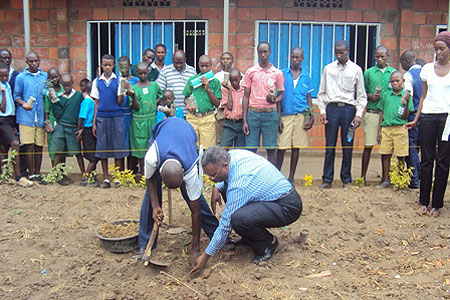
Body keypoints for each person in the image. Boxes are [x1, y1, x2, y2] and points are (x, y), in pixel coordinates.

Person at [190, 146, 302, 273]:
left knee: (238, 219)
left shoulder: (240, 184)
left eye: (213, 175)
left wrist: (205, 256)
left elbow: (225, 225)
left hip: (287, 206)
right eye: (208, 176)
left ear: (225, 165)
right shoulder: (232, 156)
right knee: (236, 210)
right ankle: (251, 237)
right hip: (272, 198)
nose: (211, 179)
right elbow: (224, 180)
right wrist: (217, 187)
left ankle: (268, 244)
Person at [137, 118, 219, 264]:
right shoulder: (152, 157)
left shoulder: (191, 167)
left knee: (195, 199)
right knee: (150, 196)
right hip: (162, 132)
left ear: (183, 174)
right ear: (159, 172)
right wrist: (156, 206)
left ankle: (216, 234)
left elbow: (196, 210)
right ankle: (146, 245)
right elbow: (149, 179)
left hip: (187, 134)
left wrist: (195, 249)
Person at [406, 31, 450, 218]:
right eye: (436, 48)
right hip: (428, 117)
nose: (438, 52)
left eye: (442, 48)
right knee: (426, 159)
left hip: (447, 118)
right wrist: (416, 119)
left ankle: (436, 204)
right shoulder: (426, 70)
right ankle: (423, 200)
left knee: (443, 161)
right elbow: (422, 96)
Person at [317, 40, 367, 189]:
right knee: (330, 145)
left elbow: (361, 95)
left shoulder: (356, 70)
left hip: (349, 111)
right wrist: (323, 111)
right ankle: (327, 179)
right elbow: (321, 93)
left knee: (348, 145)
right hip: (332, 109)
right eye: (336, 52)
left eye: (342, 52)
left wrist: (358, 114)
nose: (339, 55)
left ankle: (346, 179)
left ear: (348, 51)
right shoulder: (328, 69)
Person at [242, 42, 284, 165]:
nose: (263, 55)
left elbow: (281, 95)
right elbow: (245, 97)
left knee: (271, 149)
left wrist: (274, 100)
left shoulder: (277, 73)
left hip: (270, 115)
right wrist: (245, 120)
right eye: (260, 52)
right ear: (257, 53)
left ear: (270, 52)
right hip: (253, 114)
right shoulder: (251, 72)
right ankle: (251, 176)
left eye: (265, 52)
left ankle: (271, 178)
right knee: (250, 149)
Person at [276, 47, 314, 184]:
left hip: (300, 115)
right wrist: (279, 117)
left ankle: (291, 177)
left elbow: (308, 97)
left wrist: (311, 115)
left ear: (302, 59)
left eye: (298, 57)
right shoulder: (282, 74)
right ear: (290, 58)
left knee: (296, 147)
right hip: (286, 115)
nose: (295, 60)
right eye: (293, 57)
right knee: (281, 147)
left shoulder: (306, 76)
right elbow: (278, 97)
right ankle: (277, 176)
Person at [91, 54, 129, 188]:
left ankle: (118, 177)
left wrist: (123, 90)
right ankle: (106, 177)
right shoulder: (97, 81)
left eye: (110, 65)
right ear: (101, 65)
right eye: (105, 65)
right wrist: (94, 122)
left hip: (116, 116)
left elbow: (119, 102)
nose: (107, 68)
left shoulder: (118, 80)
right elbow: (96, 102)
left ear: (114, 66)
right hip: (102, 117)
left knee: (118, 147)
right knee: (103, 147)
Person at [361, 46, 396, 185]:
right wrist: (371, 96)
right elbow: (361, 92)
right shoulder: (369, 73)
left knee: (386, 149)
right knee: (368, 146)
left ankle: (386, 178)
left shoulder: (393, 73)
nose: (380, 59)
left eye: (382, 56)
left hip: (388, 116)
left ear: (388, 56)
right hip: (372, 113)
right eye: (377, 57)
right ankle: (362, 177)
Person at [13, 51, 47, 183]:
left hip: (40, 115)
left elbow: (47, 94)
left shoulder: (44, 76)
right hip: (26, 116)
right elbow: (17, 96)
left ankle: (38, 173)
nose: (34, 64)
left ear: (39, 61)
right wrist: (24, 104)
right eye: (31, 61)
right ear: (26, 62)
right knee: (28, 146)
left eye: (36, 61)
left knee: (39, 146)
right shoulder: (21, 77)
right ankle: (31, 173)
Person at [377, 71, 414, 188]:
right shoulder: (386, 95)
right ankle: (385, 179)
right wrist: (379, 129)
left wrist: (406, 103)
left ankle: (400, 179)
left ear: (402, 81)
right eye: (392, 81)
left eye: (397, 81)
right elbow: (381, 112)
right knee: (385, 154)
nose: (394, 83)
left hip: (400, 128)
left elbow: (405, 116)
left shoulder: (406, 96)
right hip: (386, 128)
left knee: (401, 155)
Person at [0, 62, 33, 187]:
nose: (4, 78)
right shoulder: (2, 88)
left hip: (9, 119)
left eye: (5, 75)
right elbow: (2, 109)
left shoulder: (7, 85)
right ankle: (18, 176)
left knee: (3, 147)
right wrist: (2, 93)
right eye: (1, 76)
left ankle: (4, 175)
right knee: (14, 144)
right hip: (2, 119)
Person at [48, 73, 85, 184]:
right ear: (61, 84)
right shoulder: (59, 98)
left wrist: (81, 128)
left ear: (72, 83)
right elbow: (58, 115)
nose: (67, 87)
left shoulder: (78, 96)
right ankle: (55, 174)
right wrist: (54, 102)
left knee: (77, 152)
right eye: (64, 85)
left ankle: (84, 173)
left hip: (73, 127)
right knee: (58, 151)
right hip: (61, 126)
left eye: (69, 85)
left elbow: (81, 113)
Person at [128, 62, 163, 173]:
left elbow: (161, 95)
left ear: (148, 72)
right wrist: (133, 96)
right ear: (137, 73)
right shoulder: (134, 88)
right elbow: (136, 107)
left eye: (145, 73)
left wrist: (153, 103)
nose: (143, 75)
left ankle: (153, 171)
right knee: (140, 147)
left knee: (152, 145)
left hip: (151, 119)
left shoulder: (154, 85)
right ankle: (144, 172)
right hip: (139, 121)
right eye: (140, 73)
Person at [183, 55, 221, 148]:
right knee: (191, 146)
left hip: (208, 118)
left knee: (207, 148)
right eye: (202, 66)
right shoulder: (193, 80)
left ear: (211, 66)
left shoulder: (215, 82)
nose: (204, 69)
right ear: (198, 65)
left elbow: (217, 103)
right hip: (193, 117)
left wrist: (208, 88)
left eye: (207, 66)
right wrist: (188, 104)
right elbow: (186, 97)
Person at [400, 50, 423, 189]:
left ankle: (414, 181)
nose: (402, 65)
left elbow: (408, 95)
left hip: (413, 114)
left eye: (402, 62)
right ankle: (423, 178)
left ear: (408, 61)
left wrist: (402, 113)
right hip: (427, 116)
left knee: (412, 147)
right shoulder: (426, 71)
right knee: (425, 148)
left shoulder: (408, 75)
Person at [117, 56, 140, 173]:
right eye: (121, 67)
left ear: (130, 66)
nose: (123, 70)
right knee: (120, 143)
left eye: (125, 67)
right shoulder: (115, 80)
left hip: (132, 115)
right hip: (119, 116)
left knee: (132, 143)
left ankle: (132, 171)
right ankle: (120, 173)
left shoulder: (135, 81)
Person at [156, 50, 196, 115]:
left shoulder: (192, 72)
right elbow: (160, 92)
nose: (178, 65)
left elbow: (195, 93)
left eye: (181, 63)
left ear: (185, 60)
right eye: (176, 63)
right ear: (172, 60)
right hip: (171, 114)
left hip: (188, 114)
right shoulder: (166, 71)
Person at [77, 80, 99, 186]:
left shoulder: (93, 101)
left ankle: (92, 177)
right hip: (88, 130)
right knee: (93, 157)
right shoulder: (87, 102)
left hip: (92, 130)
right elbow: (81, 117)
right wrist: (80, 129)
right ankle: (85, 177)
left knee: (95, 155)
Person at [220, 68, 246, 149]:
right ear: (229, 80)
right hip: (229, 124)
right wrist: (230, 89)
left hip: (241, 123)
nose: (234, 82)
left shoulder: (244, 90)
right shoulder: (225, 90)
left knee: (240, 150)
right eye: (232, 80)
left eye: (236, 80)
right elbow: (230, 106)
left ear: (240, 78)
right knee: (224, 148)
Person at [44, 68, 65, 167]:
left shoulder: (64, 88)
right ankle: (54, 172)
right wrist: (48, 124)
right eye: (52, 78)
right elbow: (46, 111)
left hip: (63, 120)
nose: (55, 79)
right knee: (53, 146)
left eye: (56, 76)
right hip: (53, 120)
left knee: (62, 145)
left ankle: (62, 172)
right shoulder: (48, 92)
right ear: (48, 79)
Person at [214, 52, 235, 145]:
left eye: (228, 59)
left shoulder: (239, 75)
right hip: (221, 111)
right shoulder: (216, 77)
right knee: (221, 141)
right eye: (223, 59)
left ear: (232, 61)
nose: (225, 61)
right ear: (220, 61)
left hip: (235, 111)